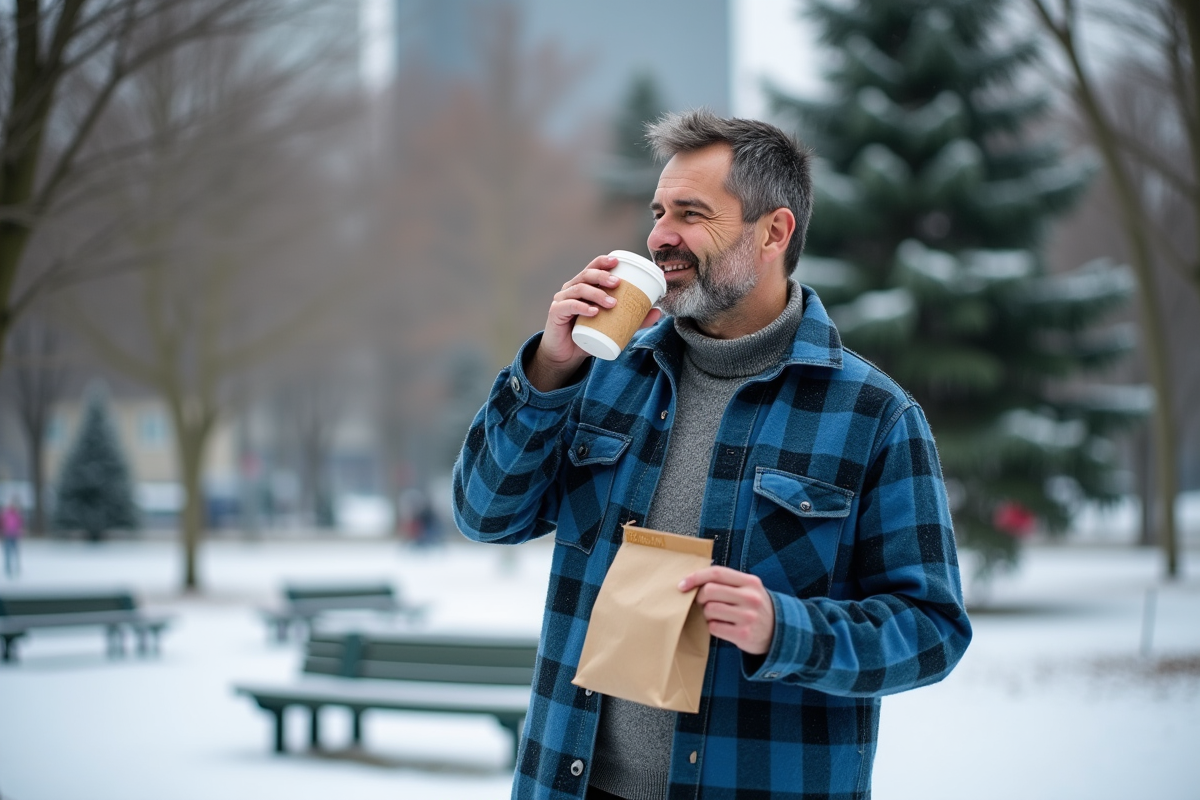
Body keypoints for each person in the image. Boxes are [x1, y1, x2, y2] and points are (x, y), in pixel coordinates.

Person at [453, 110, 972, 800]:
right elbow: (484, 514)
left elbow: (932, 630)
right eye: (659, 210)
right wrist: (549, 369)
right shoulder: (602, 375)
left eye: (692, 214)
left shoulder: (875, 417)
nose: (660, 234)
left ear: (773, 232)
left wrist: (784, 629)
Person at [2, 499, 23, 578]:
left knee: (16, 553)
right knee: (8, 553)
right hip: (7, 535)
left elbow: (20, 524)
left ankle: (17, 568)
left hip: (15, 536)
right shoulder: (6, 515)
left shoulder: (17, 515)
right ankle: (8, 569)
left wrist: (20, 531)